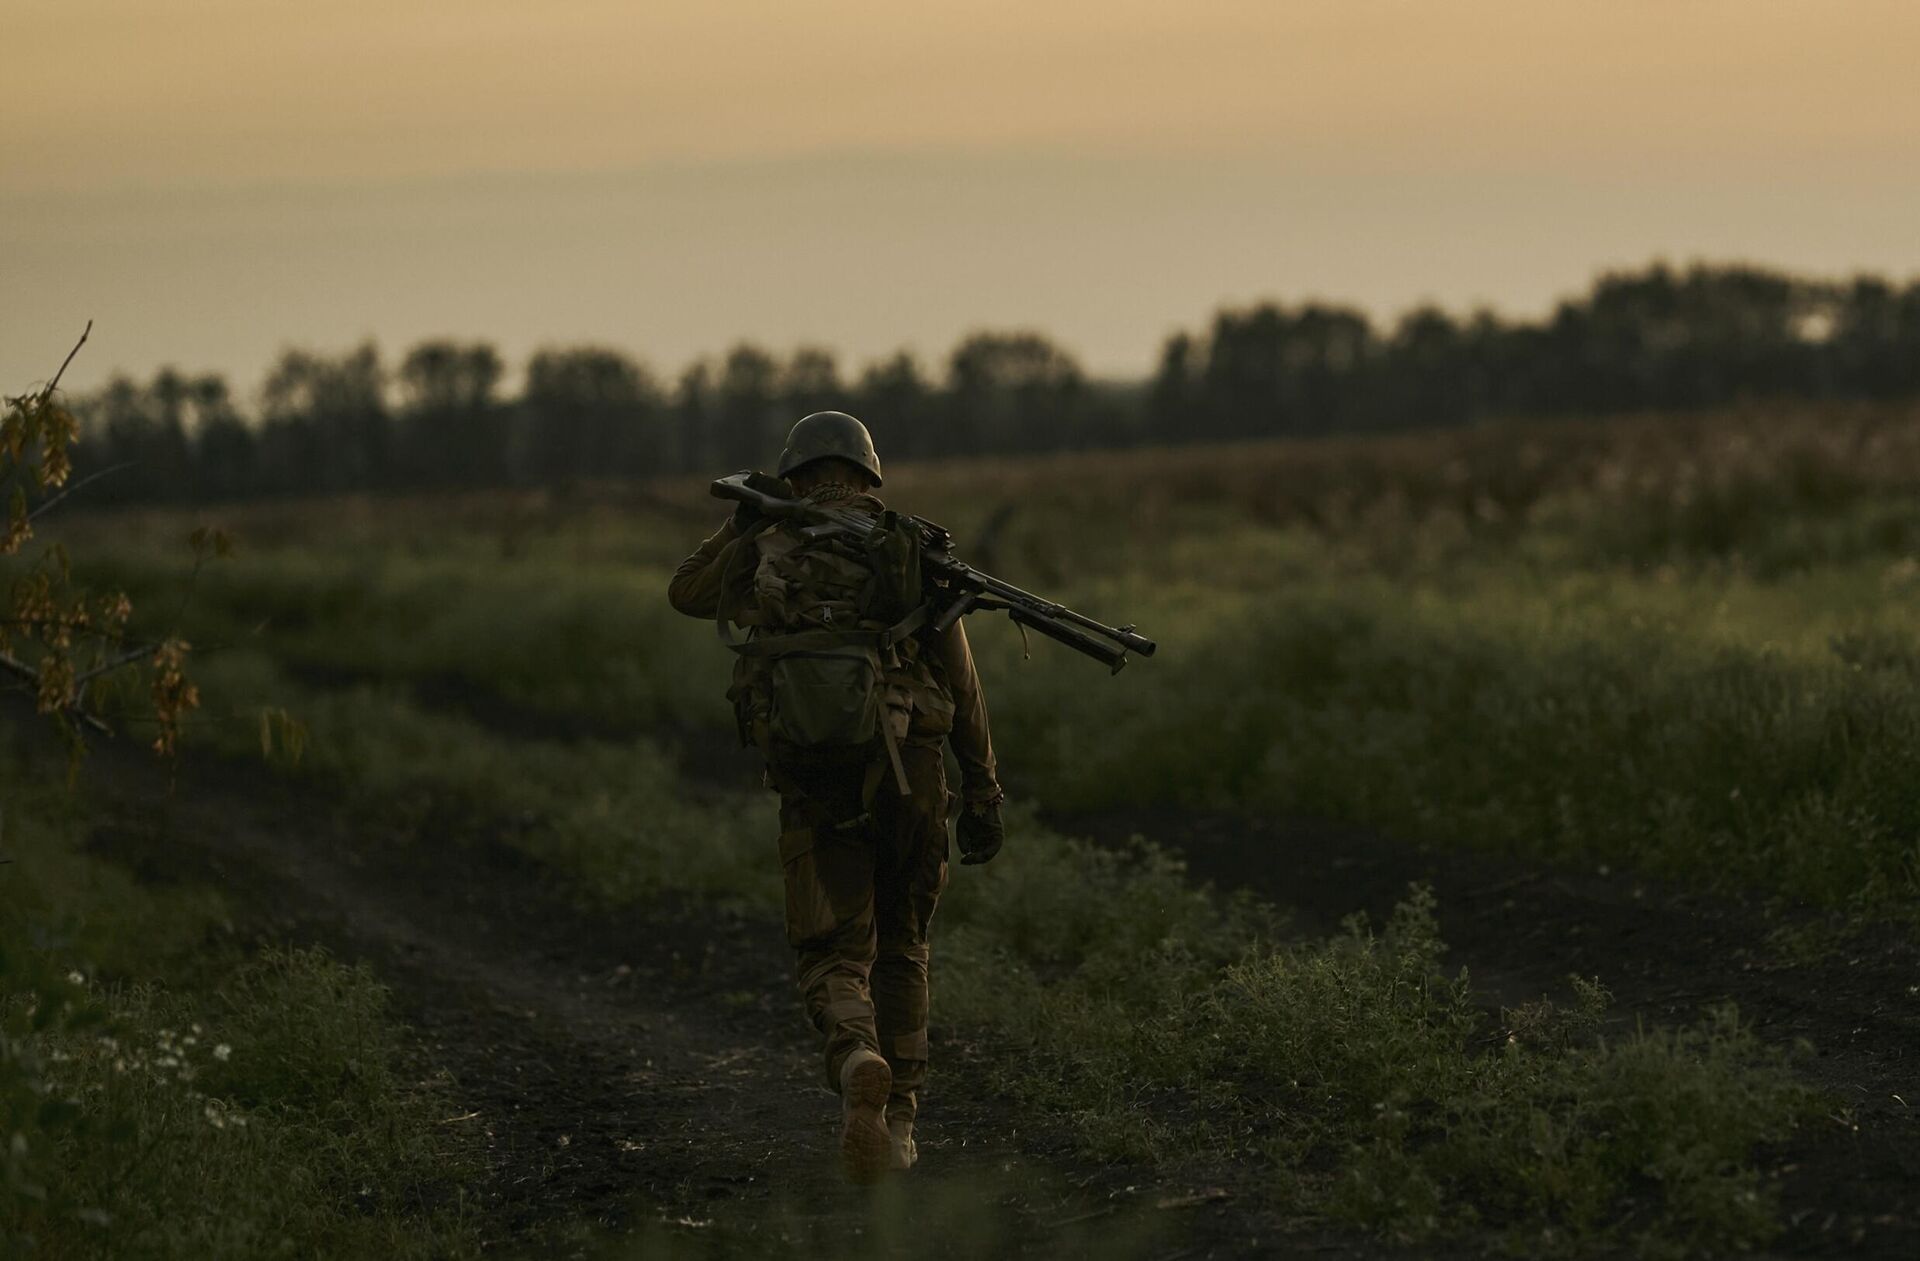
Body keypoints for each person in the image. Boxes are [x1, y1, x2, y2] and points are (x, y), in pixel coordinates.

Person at [667, 410, 1006, 1182]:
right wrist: (983, 786)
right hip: (915, 771)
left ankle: (857, 1056)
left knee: (831, 950)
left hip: (816, 776)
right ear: (868, 476)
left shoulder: (766, 540)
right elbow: (962, 683)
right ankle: (905, 1124)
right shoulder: (910, 545)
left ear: (794, 475)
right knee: (905, 940)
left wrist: (741, 522)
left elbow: (686, 592)